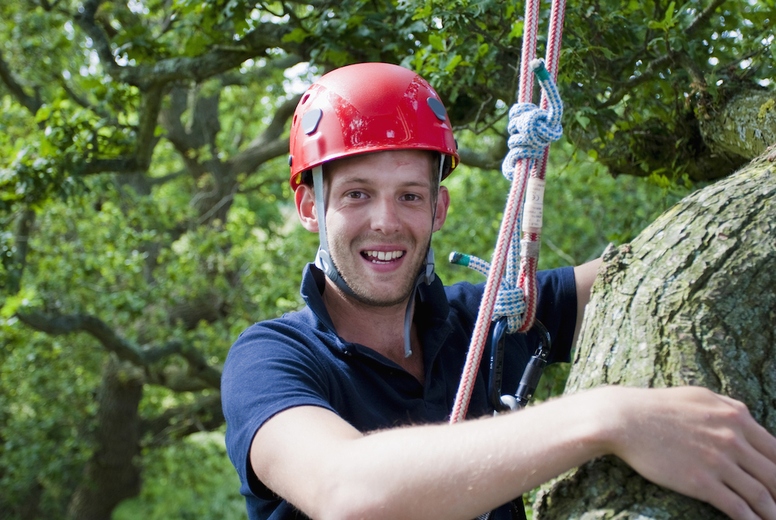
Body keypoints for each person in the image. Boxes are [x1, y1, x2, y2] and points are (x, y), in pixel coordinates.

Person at [222, 62, 776, 520]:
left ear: (438, 209)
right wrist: (610, 418)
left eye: (410, 196)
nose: (386, 222)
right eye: (357, 195)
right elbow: (345, 490)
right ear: (309, 208)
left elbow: (641, 275)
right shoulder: (271, 360)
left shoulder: (482, 320)